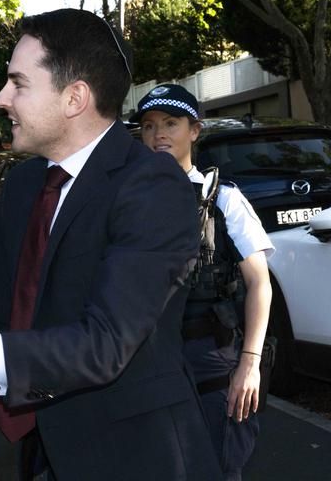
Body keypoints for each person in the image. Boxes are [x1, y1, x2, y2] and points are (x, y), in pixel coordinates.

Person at [0, 9, 223, 480]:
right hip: (43, 456)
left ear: (74, 98)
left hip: (139, 458)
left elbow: (104, 344)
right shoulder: (26, 184)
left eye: (18, 83)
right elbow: (17, 322)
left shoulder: (153, 187)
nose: (1, 98)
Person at [130, 83, 274, 481]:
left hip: (210, 361)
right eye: (148, 126)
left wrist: (250, 363)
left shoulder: (224, 199)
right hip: (148, 364)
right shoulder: (128, 200)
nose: (158, 134)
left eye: (171, 123)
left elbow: (260, 283)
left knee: (220, 467)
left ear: (194, 130)